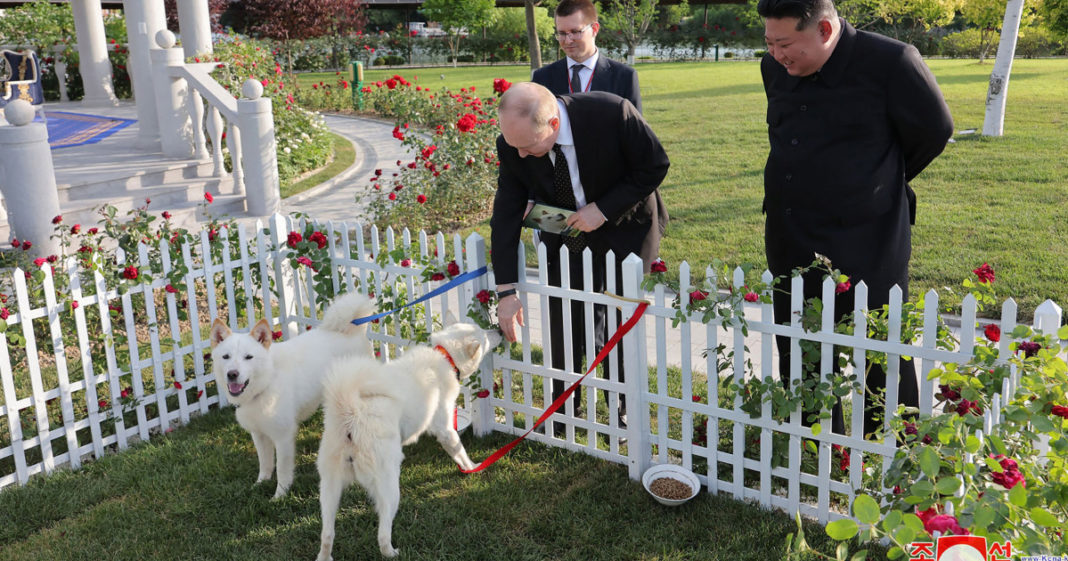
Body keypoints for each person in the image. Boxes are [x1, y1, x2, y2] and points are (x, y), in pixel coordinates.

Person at [757, 0, 954, 438]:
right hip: (791, 237)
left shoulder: (892, 63)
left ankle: (890, 454)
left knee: (881, 359)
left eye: (785, 44)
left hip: (869, 242)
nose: (776, 55)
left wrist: (875, 184)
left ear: (825, 29)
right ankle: (816, 451)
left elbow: (934, 131)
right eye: (769, 43)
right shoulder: (774, 69)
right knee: (802, 354)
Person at [490, 82, 669, 436]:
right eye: (513, 146)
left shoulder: (612, 113)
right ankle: (564, 407)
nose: (520, 156)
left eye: (527, 147)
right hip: (564, 234)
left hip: (625, 226)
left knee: (619, 319)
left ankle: (621, 406)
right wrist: (506, 292)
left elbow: (654, 165)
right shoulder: (513, 145)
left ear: (553, 125)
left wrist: (602, 210)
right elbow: (506, 215)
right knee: (564, 318)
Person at [532, 0, 641, 113]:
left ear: (594, 29)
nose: (568, 41)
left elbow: (634, 129)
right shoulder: (542, 78)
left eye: (575, 32)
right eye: (562, 33)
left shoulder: (624, 77)